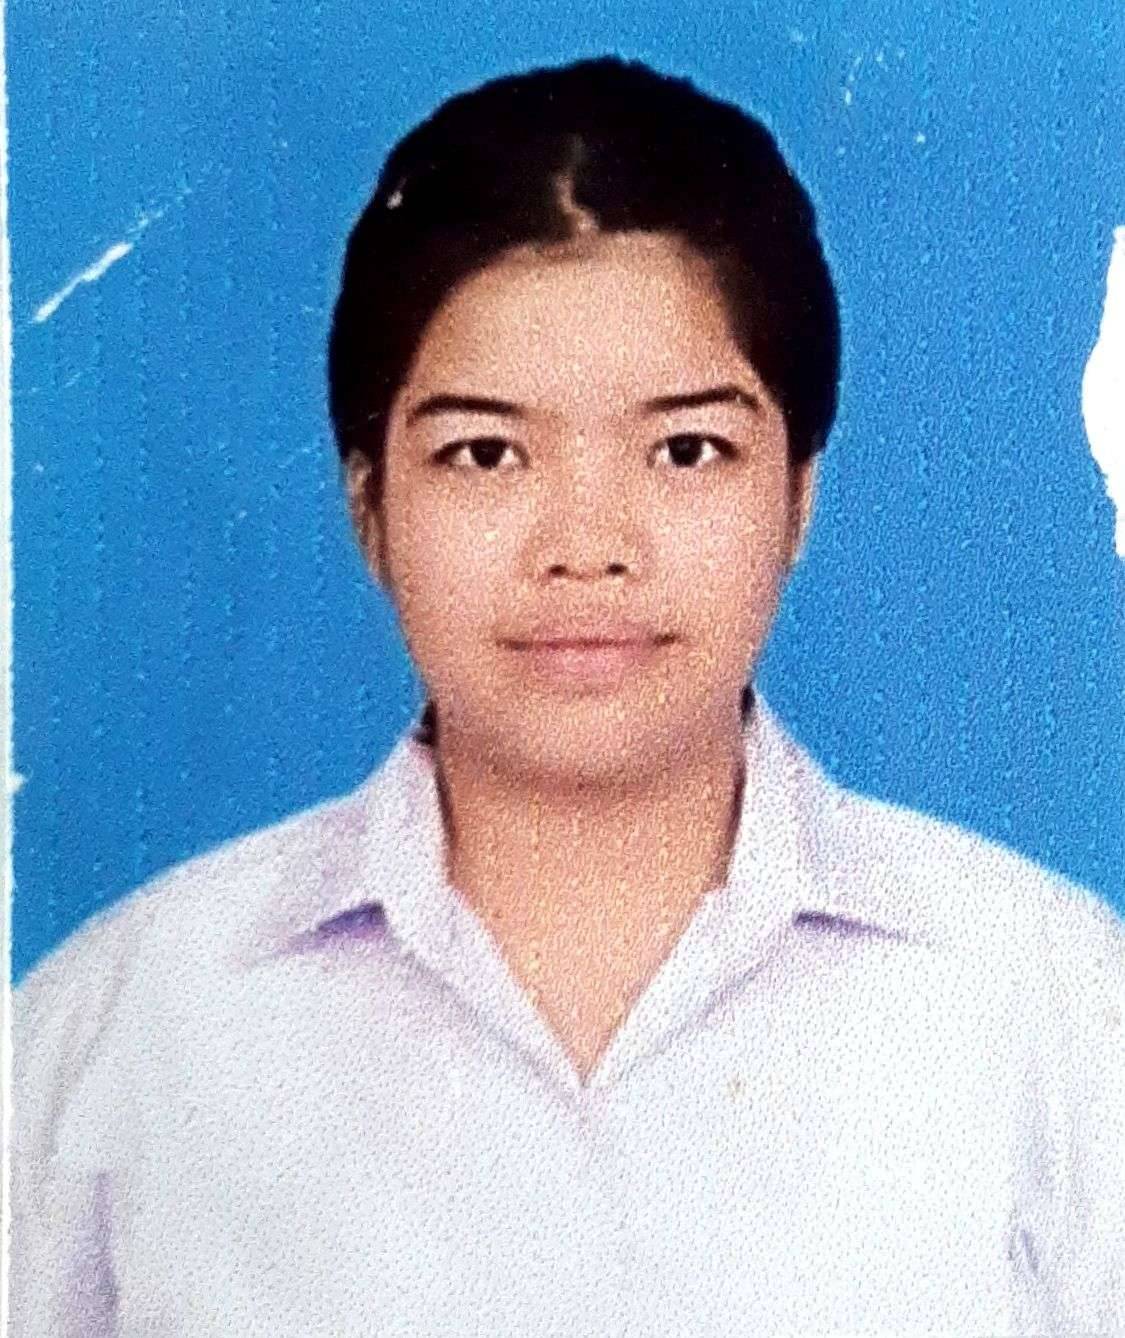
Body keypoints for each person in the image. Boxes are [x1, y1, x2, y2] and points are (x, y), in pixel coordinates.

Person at [10, 56, 1124, 1337]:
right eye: (486, 453)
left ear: (797, 499)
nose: (587, 547)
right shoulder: (119, 1030)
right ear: (369, 503)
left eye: (686, 450)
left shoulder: (1049, 1007)